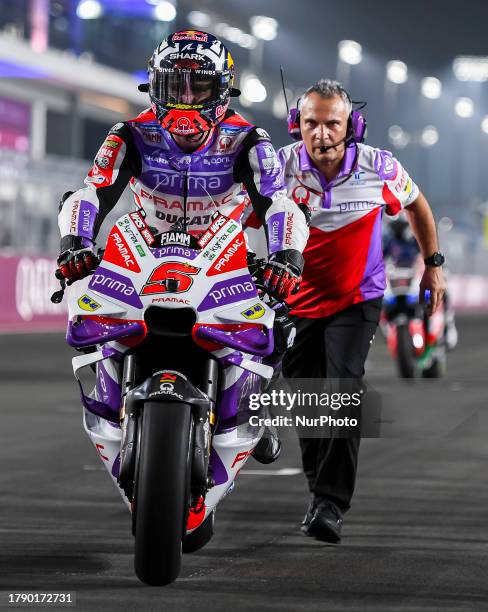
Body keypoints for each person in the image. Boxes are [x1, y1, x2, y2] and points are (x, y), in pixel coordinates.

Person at [56, 30, 309, 463]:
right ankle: (108, 394)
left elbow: (278, 203)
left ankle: (257, 407)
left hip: (226, 255)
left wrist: (287, 258)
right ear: (154, 87)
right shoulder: (129, 133)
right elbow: (91, 193)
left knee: (281, 321)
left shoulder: (251, 139)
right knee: (84, 307)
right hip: (143, 249)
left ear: (223, 90)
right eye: (175, 86)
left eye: (200, 86)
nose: (187, 99)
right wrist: (74, 244)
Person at [277, 79, 446, 543]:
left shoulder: (381, 166)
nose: (322, 133)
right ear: (298, 125)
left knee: (345, 389)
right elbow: (238, 212)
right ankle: (319, 492)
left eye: (333, 123)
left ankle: (332, 505)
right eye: (311, 123)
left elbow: (417, 205)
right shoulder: (278, 168)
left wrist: (433, 266)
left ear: (352, 125)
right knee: (309, 401)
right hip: (293, 302)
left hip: (358, 299)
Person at [383, 217, 458, 349]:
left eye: (400, 226)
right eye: (395, 226)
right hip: (398, 283)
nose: (397, 230)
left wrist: (437, 266)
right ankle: (388, 331)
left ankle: (448, 325)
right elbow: (381, 258)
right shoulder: (390, 241)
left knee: (442, 290)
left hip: (417, 279)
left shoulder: (417, 239)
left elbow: (432, 253)